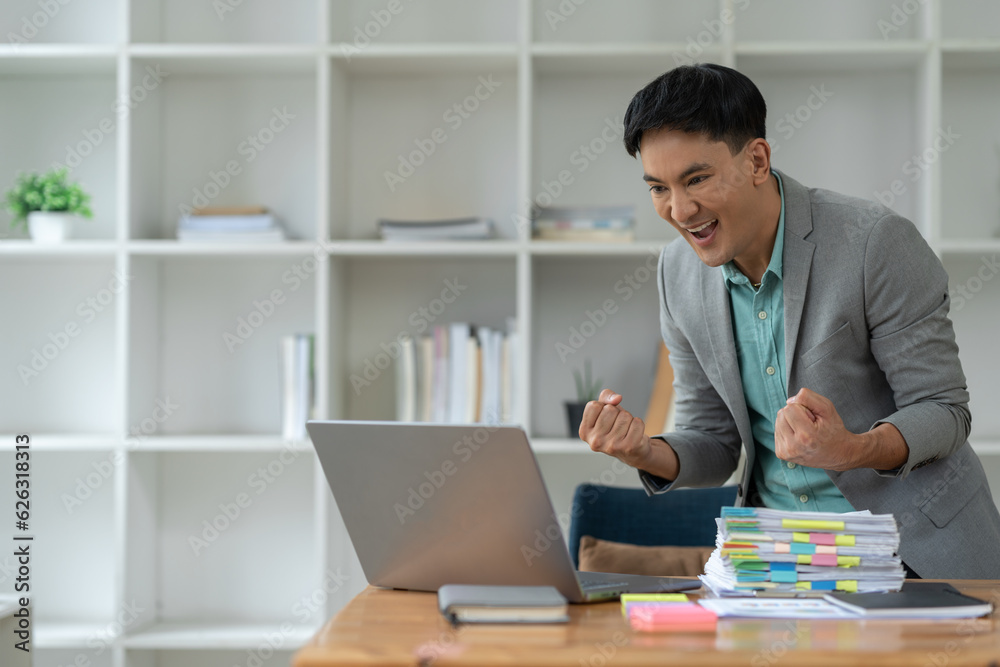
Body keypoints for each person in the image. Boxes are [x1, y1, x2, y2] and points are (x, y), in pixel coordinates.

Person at [578, 63, 1000, 579]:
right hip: (777, 561)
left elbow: (943, 409)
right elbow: (712, 440)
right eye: (658, 188)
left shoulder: (874, 243)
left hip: (911, 554)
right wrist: (645, 451)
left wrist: (853, 448)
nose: (680, 209)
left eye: (697, 179)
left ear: (757, 159)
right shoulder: (677, 273)